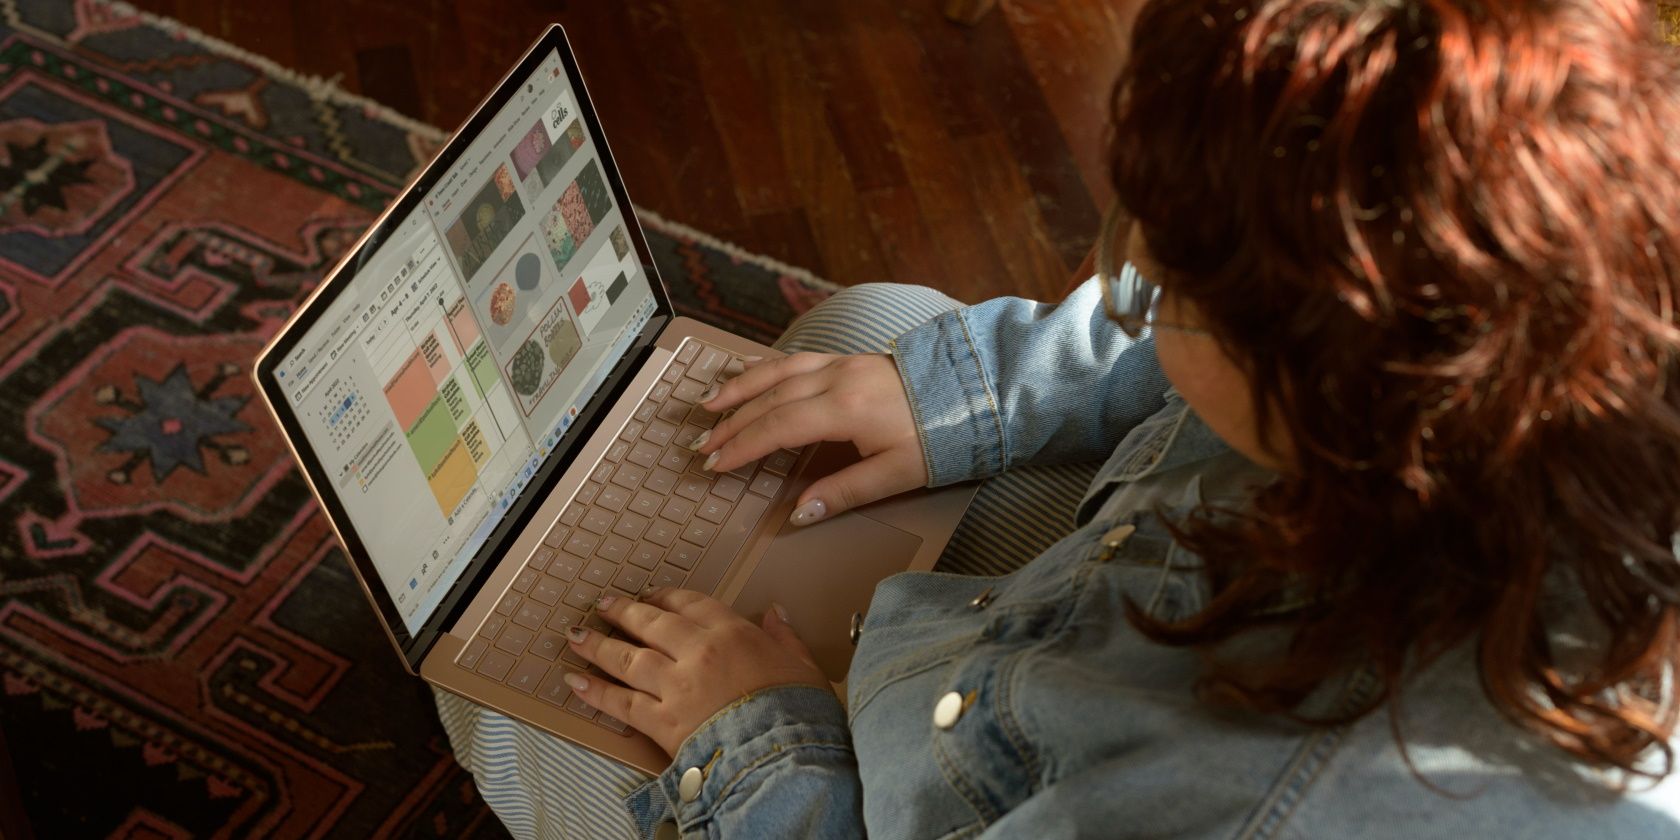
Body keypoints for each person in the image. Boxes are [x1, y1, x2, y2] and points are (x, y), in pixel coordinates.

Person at [437, 0, 1680, 835]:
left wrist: (757, 748)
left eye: (1166, 277)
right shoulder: (1568, 321)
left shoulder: (1262, 802)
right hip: (1032, 656)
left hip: (923, 786)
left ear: (1331, 386)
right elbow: (1147, 351)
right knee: (873, 328)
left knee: (501, 693)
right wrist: (958, 396)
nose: (1127, 280)